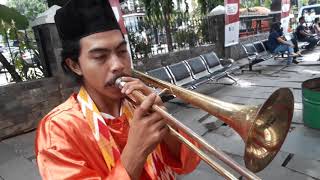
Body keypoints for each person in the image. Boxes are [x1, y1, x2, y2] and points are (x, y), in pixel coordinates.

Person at [35, 0, 200, 179]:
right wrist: (135, 152)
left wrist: (166, 126)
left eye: (122, 52)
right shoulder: (58, 129)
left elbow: (188, 163)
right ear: (75, 65)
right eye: (100, 57)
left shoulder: (139, 103)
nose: (118, 65)